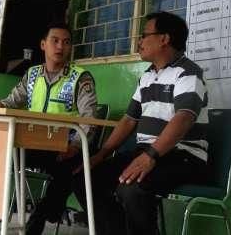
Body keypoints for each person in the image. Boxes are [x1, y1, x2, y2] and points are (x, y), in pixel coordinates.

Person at [73, 12, 208, 235]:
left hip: (183, 156)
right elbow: (128, 120)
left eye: (144, 35)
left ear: (164, 39)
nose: (139, 42)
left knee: (132, 188)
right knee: (85, 177)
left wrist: (151, 156)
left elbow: (183, 118)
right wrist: (101, 154)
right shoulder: (147, 76)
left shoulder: (188, 73)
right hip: (147, 153)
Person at [0, 21, 97, 235]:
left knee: (69, 171)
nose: (60, 47)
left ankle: (39, 219)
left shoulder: (80, 77)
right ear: (43, 44)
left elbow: (89, 117)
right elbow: (13, 100)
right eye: (54, 41)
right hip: (34, 144)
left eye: (66, 43)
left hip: (65, 147)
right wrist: (1, 105)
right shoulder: (32, 75)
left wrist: (75, 145)